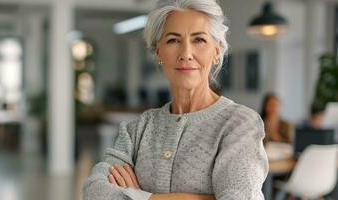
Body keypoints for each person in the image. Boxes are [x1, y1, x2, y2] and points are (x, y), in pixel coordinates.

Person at [82, 0, 268, 199]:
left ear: (216, 50)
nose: (186, 54)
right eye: (173, 40)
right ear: (158, 52)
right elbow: (94, 191)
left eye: (199, 40)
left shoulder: (239, 124)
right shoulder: (137, 129)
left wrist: (141, 196)